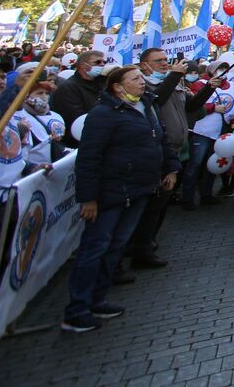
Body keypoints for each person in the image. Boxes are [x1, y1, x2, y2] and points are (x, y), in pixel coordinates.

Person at [61, 66, 179, 333]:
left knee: (115, 247)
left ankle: (97, 300)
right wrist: (88, 198)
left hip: (139, 189)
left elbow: (159, 139)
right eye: (135, 79)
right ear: (117, 86)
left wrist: (170, 167)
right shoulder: (104, 114)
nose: (142, 82)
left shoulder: (146, 105)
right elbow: (89, 158)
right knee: (95, 248)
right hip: (111, 192)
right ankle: (77, 311)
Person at [126, 47, 189, 270]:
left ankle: (148, 243)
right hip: (156, 155)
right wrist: (174, 76)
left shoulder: (172, 83)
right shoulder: (146, 87)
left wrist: (208, 90)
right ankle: (139, 248)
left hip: (174, 150)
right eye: (159, 60)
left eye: (166, 60)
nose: (165, 63)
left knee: (161, 204)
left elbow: (190, 109)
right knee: (151, 205)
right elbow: (156, 100)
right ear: (144, 65)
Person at [182, 63, 234, 210]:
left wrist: (233, 121)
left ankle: (206, 194)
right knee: (195, 164)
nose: (222, 72)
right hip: (201, 131)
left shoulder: (230, 87)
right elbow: (193, 104)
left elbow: (233, 108)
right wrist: (213, 108)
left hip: (219, 133)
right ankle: (187, 197)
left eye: (225, 69)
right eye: (220, 68)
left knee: (212, 165)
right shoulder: (200, 84)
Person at [49, 50, 107, 140]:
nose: (102, 64)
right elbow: (75, 117)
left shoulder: (103, 83)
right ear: (83, 65)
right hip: (81, 138)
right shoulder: (68, 87)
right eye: (98, 62)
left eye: (104, 62)